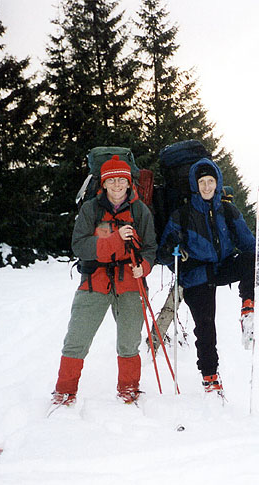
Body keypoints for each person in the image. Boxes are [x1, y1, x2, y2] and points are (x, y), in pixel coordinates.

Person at [157, 158, 259, 395]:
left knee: (247, 261)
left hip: (222, 266)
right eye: (202, 182)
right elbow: (163, 255)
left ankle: (248, 310)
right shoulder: (182, 214)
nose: (206, 187)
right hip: (196, 275)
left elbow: (248, 245)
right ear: (195, 184)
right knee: (205, 326)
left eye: (210, 181)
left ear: (217, 182)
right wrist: (170, 246)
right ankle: (210, 377)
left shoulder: (227, 210)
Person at [51, 155, 157, 407]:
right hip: (94, 280)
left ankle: (129, 389)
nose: (118, 185)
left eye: (122, 180)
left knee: (129, 340)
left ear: (130, 183)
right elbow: (79, 246)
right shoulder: (91, 209)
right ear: (104, 184)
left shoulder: (140, 210)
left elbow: (151, 247)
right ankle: (65, 391)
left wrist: (145, 266)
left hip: (131, 281)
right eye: (113, 180)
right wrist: (116, 239)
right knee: (77, 338)